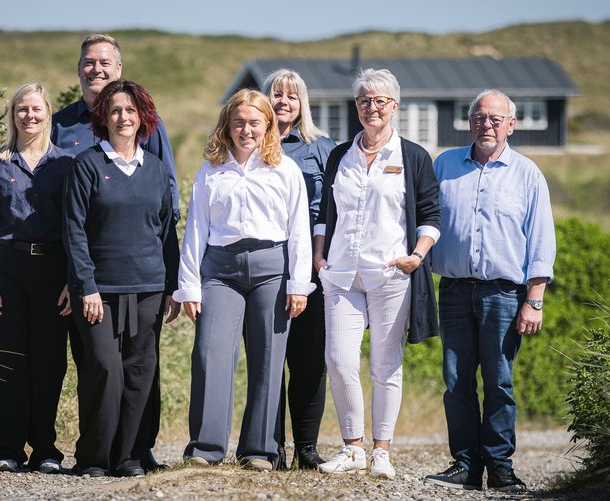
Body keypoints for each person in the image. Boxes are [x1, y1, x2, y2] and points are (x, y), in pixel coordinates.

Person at [51, 33, 177, 470]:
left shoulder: (155, 169)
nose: (123, 117)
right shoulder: (87, 165)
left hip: (147, 287)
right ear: (102, 118)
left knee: (140, 372)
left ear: (142, 118)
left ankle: (129, 456)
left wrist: (172, 286)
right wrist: (83, 285)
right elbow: (73, 229)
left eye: (130, 111)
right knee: (104, 369)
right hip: (98, 289)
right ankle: (94, 457)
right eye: (116, 111)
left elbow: (167, 230)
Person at [174, 89, 314, 472]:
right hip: (221, 271)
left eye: (254, 122)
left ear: (268, 125)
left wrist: (299, 284)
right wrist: (189, 286)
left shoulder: (284, 169)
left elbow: (299, 229)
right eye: (239, 122)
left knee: (268, 359)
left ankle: (259, 451)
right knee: (210, 354)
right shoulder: (210, 170)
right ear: (227, 125)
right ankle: (205, 448)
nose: (246, 130)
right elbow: (196, 230)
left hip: (273, 270)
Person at [424, 89, 556, 493]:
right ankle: (465, 466)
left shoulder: (528, 174)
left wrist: (534, 301)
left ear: (510, 125)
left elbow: (541, 241)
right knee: (456, 381)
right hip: (454, 291)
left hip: (505, 295)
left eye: (496, 119)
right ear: (469, 123)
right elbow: (425, 219)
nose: (487, 125)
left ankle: (500, 467)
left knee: (499, 382)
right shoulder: (444, 165)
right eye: (480, 118)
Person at [313, 68, 441, 479]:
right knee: (338, 360)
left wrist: (416, 256)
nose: (372, 108)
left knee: (386, 365)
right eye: (364, 100)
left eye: (380, 101)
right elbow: (325, 212)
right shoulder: (340, 155)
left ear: (394, 105)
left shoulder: (413, 156)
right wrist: (319, 255)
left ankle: (381, 450)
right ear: (357, 106)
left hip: (390, 275)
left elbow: (431, 215)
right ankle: (353, 448)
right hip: (341, 274)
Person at [0, 83, 74, 473]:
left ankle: (45, 448)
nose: (29, 116)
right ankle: (9, 449)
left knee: (49, 362)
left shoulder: (67, 165)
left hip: (53, 273)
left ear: (48, 113)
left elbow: (76, 229)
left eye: (36, 109)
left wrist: (73, 281)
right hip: (6, 271)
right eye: (21, 109)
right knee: (5, 360)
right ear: (12, 115)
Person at [260, 69, 335, 470]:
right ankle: (270, 448)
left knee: (309, 362)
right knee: (269, 360)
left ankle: (306, 448)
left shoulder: (322, 148)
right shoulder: (251, 145)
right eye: (276, 94)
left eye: (291, 95)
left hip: (313, 269)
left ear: (302, 102)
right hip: (265, 267)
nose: (283, 102)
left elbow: (338, 209)